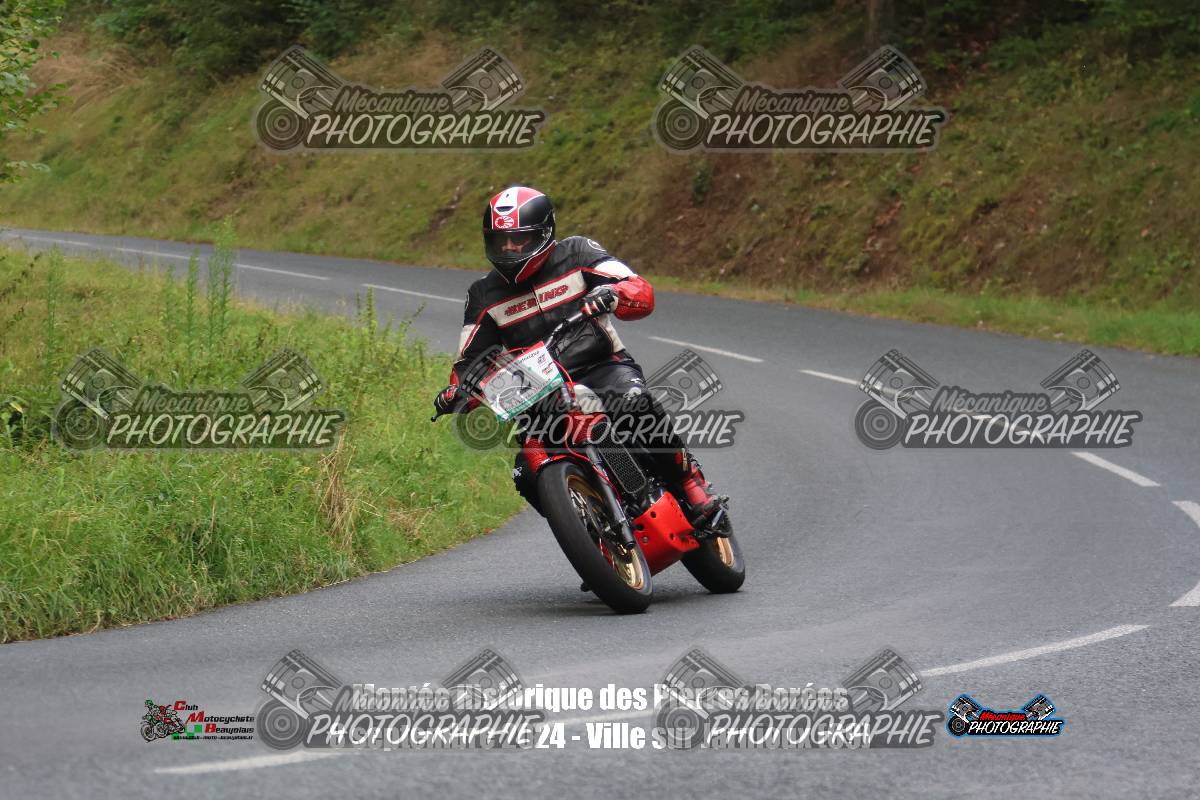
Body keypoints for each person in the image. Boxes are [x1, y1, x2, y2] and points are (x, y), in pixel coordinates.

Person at [434, 186, 718, 522]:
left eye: (518, 239)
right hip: (536, 392)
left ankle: (690, 483)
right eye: (500, 241)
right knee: (525, 472)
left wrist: (613, 293)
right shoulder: (483, 294)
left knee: (634, 403)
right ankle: (591, 532)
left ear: (543, 234)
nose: (508, 248)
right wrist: (458, 391)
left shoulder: (578, 252)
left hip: (600, 365)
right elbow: (469, 361)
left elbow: (637, 287)